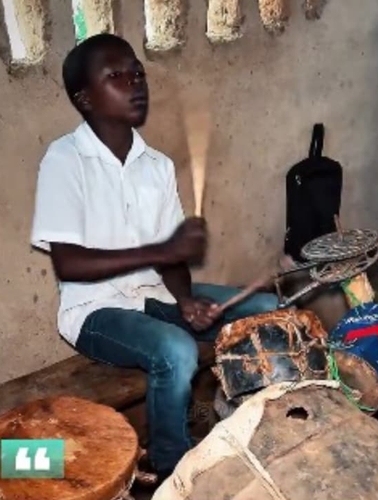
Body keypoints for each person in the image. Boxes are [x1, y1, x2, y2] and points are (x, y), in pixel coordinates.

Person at [29, 34, 280, 486]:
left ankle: (246, 426)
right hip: (94, 310)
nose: (134, 83)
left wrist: (184, 299)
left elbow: (172, 261)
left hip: (156, 293)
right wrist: (162, 252)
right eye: (115, 77)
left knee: (265, 311)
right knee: (176, 350)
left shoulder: (157, 166)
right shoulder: (65, 161)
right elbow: (70, 264)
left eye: (137, 73)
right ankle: (172, 469)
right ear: (84, 99)